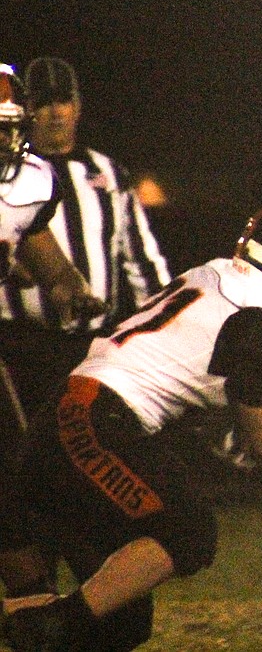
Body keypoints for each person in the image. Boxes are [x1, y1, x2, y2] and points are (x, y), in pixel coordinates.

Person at [0, 201, 262, 652]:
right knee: (187, 530)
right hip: (96, 420)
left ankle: (40, 619)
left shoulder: (216, 273)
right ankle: (45, 623)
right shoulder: (260, 322)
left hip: (75, 414)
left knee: (120, 623)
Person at [0, 56, 171, 446]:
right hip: (20, 345)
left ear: (77, 107)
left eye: (63, 101)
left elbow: (139, 260)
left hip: (88, 346)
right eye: (43, 103)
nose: (55, 112)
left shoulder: (105, 173)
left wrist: (160, 326)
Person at [0, 62, 107, 600]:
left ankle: (34, 605)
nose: (5, 141)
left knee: (23, 474)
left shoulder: (30, 181)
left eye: (9, 127)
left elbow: (40, 253)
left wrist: (71, 287)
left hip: (21, 349)